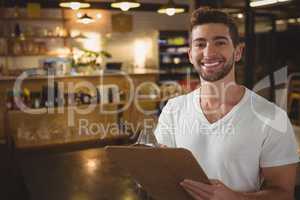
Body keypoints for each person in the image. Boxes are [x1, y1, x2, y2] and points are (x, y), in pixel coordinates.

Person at [154, 8, 299, 200]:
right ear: (190, 55)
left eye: (220, 42)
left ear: (238, 51)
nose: (209, 52)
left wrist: (236, 198)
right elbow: (163, 178)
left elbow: (284, 193)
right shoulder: (173, 110)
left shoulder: (272, 117)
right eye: (200, 44)